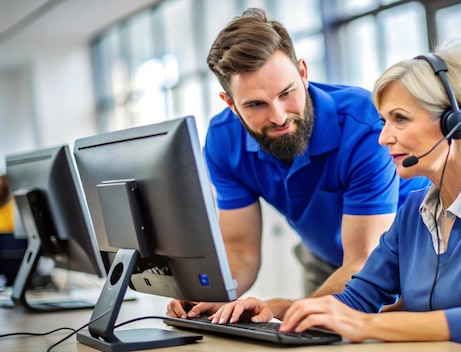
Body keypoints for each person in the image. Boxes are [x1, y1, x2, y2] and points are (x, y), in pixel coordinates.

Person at [208, 40, 461, 351]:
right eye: (383, 121)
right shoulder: (415, 211)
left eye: (400, 119)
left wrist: (365, 326)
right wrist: (273, 308)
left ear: (454, 122)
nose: (383, 138)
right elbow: (355, 299)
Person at [166, 8, 429, 320]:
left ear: (303, 73)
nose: (278, 116)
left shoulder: (366, 128)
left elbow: (364, 263)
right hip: (324, 261)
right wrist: (210, 296)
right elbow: (239, 251)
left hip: (404, 263)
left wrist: (279, 308)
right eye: (255, 104)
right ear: (231, 105)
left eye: (286, 93)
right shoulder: (224, 142)